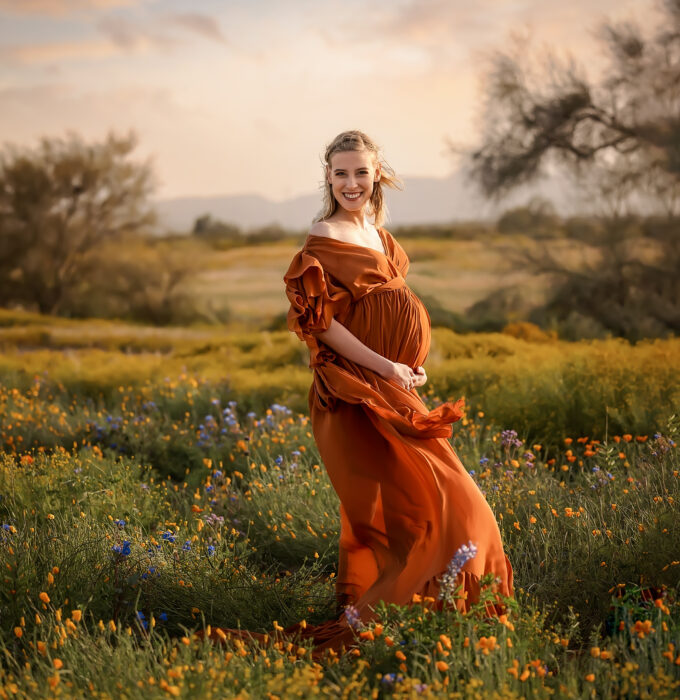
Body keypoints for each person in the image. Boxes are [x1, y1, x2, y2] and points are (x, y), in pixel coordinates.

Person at [202, 129, 514, 657]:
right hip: (355, 393)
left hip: (392, 386)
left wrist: (408, 366)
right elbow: (321, 325)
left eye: (361, 172)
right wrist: (387, 367)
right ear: (328, 176)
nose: (351, 182)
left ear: (377, 175)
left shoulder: (379, 233)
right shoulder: (322, 238)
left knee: (429, 510)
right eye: (341, 173)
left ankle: (427, 623)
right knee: (451, 503)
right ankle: (411, 622)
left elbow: (389, 309)